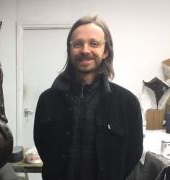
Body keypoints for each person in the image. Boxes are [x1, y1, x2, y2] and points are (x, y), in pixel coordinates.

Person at [33, 15, 143, 180]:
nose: (85, 50)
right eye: (78, 44)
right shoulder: (48, 100)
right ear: (70, 51)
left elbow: (133, 152)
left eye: (94, 43)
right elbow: (42, 144)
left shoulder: (127, 103)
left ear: (105, 51)